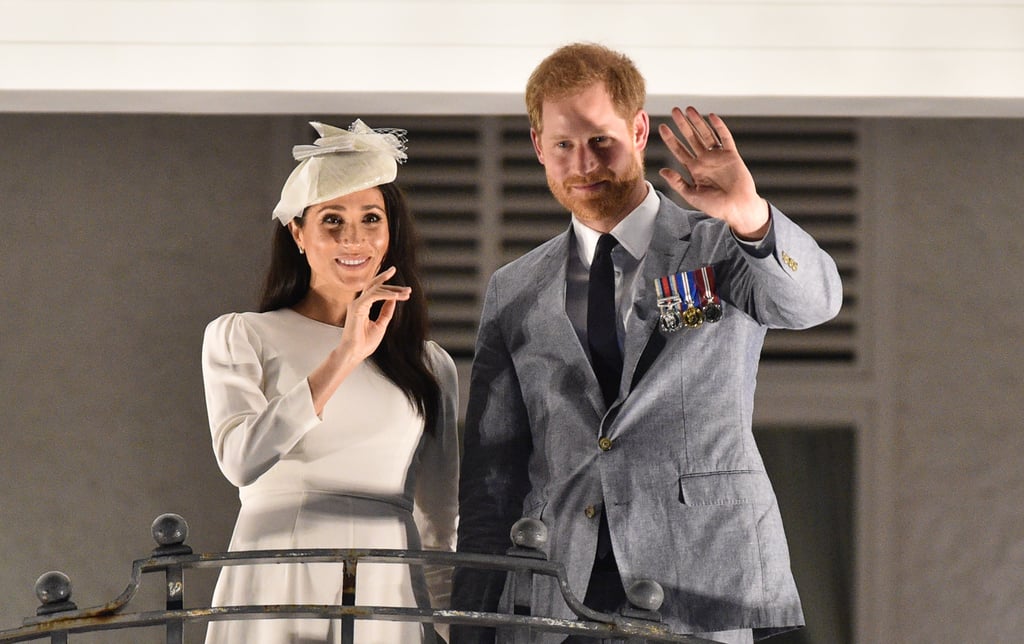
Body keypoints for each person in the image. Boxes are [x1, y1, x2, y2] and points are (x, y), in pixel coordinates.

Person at [452, 43, 842, 644]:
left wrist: (750, 216)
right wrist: (471, 626)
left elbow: (813, 302)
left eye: (601, 139)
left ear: (637, 131)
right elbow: (491, 476)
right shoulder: (513, 288)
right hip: (557, 592)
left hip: (699, 580)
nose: (584, 163)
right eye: (563, 145)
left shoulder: (717, 248)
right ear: (537, 147)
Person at [201, 119, 459, 643]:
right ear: (298, 233)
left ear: (391, 235)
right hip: (278, 568)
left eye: (371, 218)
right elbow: (241, 460)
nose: (354, 238)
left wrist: (453, 626)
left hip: (388, 579)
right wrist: (345, 355)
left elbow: (441, 519)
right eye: (332, 220)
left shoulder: (429, 363)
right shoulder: (242, 335)